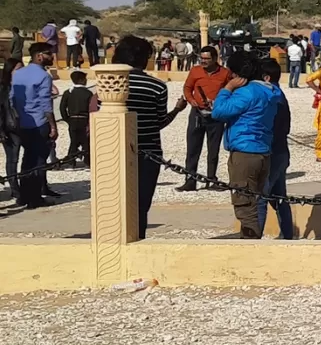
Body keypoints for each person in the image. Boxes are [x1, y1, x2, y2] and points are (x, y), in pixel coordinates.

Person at [112, 35, 177, 239]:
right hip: (148, 152)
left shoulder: (110, 84)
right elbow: (159, 122)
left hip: (113, 149)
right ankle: (137, 238)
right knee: (140, 204)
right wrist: (176, 110)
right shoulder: (157, 87)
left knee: (114, 203)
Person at [211, 55, 279, 238]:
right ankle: (251, 237)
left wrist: (228, 89)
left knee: (244, 204)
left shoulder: (247, 92)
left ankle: (250, 243)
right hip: (263, 150)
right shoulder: (270, 91)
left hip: (244, 150)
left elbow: (218, 112)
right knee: (256, 201)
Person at [11, 41, 58, 206]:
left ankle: (24, 195)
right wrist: (53, 126)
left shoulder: (18, 74)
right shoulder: (44, 76)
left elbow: (12, 99)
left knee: (27, 160)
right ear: (39, 56)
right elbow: (46, 104)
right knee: (38, 161)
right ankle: (35, 198)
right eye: (49, 54)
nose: (52, 56)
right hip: (39, 123)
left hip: (21, 123)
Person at [178, 44, 232, 191]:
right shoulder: (195, 71)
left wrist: (220, 103)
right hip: (197, 113)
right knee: (192, 149)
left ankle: (211, 179)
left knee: (213, 150)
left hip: (215, 115)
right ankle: (190, 180)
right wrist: (191, 100)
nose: (203, 61)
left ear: (215, 59)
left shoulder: (225, 73)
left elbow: (231, 91)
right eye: (201, 58)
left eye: (207, 59)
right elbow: (187, 88)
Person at [254, 58, 295, 240]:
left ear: (266, 77)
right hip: (281, 151)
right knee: (279, 198)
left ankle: (254, 240)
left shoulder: (271, 97)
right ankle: (287, 236)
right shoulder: (279, 95)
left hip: (272, 151)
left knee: (260, 198)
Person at [59, 69, 94, 167]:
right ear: (82, 80)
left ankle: (71, 162)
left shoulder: (68, 92)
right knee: (85, 142)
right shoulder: (88, 93)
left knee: (73, 141)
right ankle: (87, 161)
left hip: (73, 119)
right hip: (84, 119)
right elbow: (91, 108)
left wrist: (67, 119)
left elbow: (62, 108)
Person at [1, 56, 21, 202]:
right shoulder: (3, 89)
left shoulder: (23, 86)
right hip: (10, 128)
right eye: (18, 70)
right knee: (12, 159)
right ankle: (15, 188)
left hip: (26, 125)